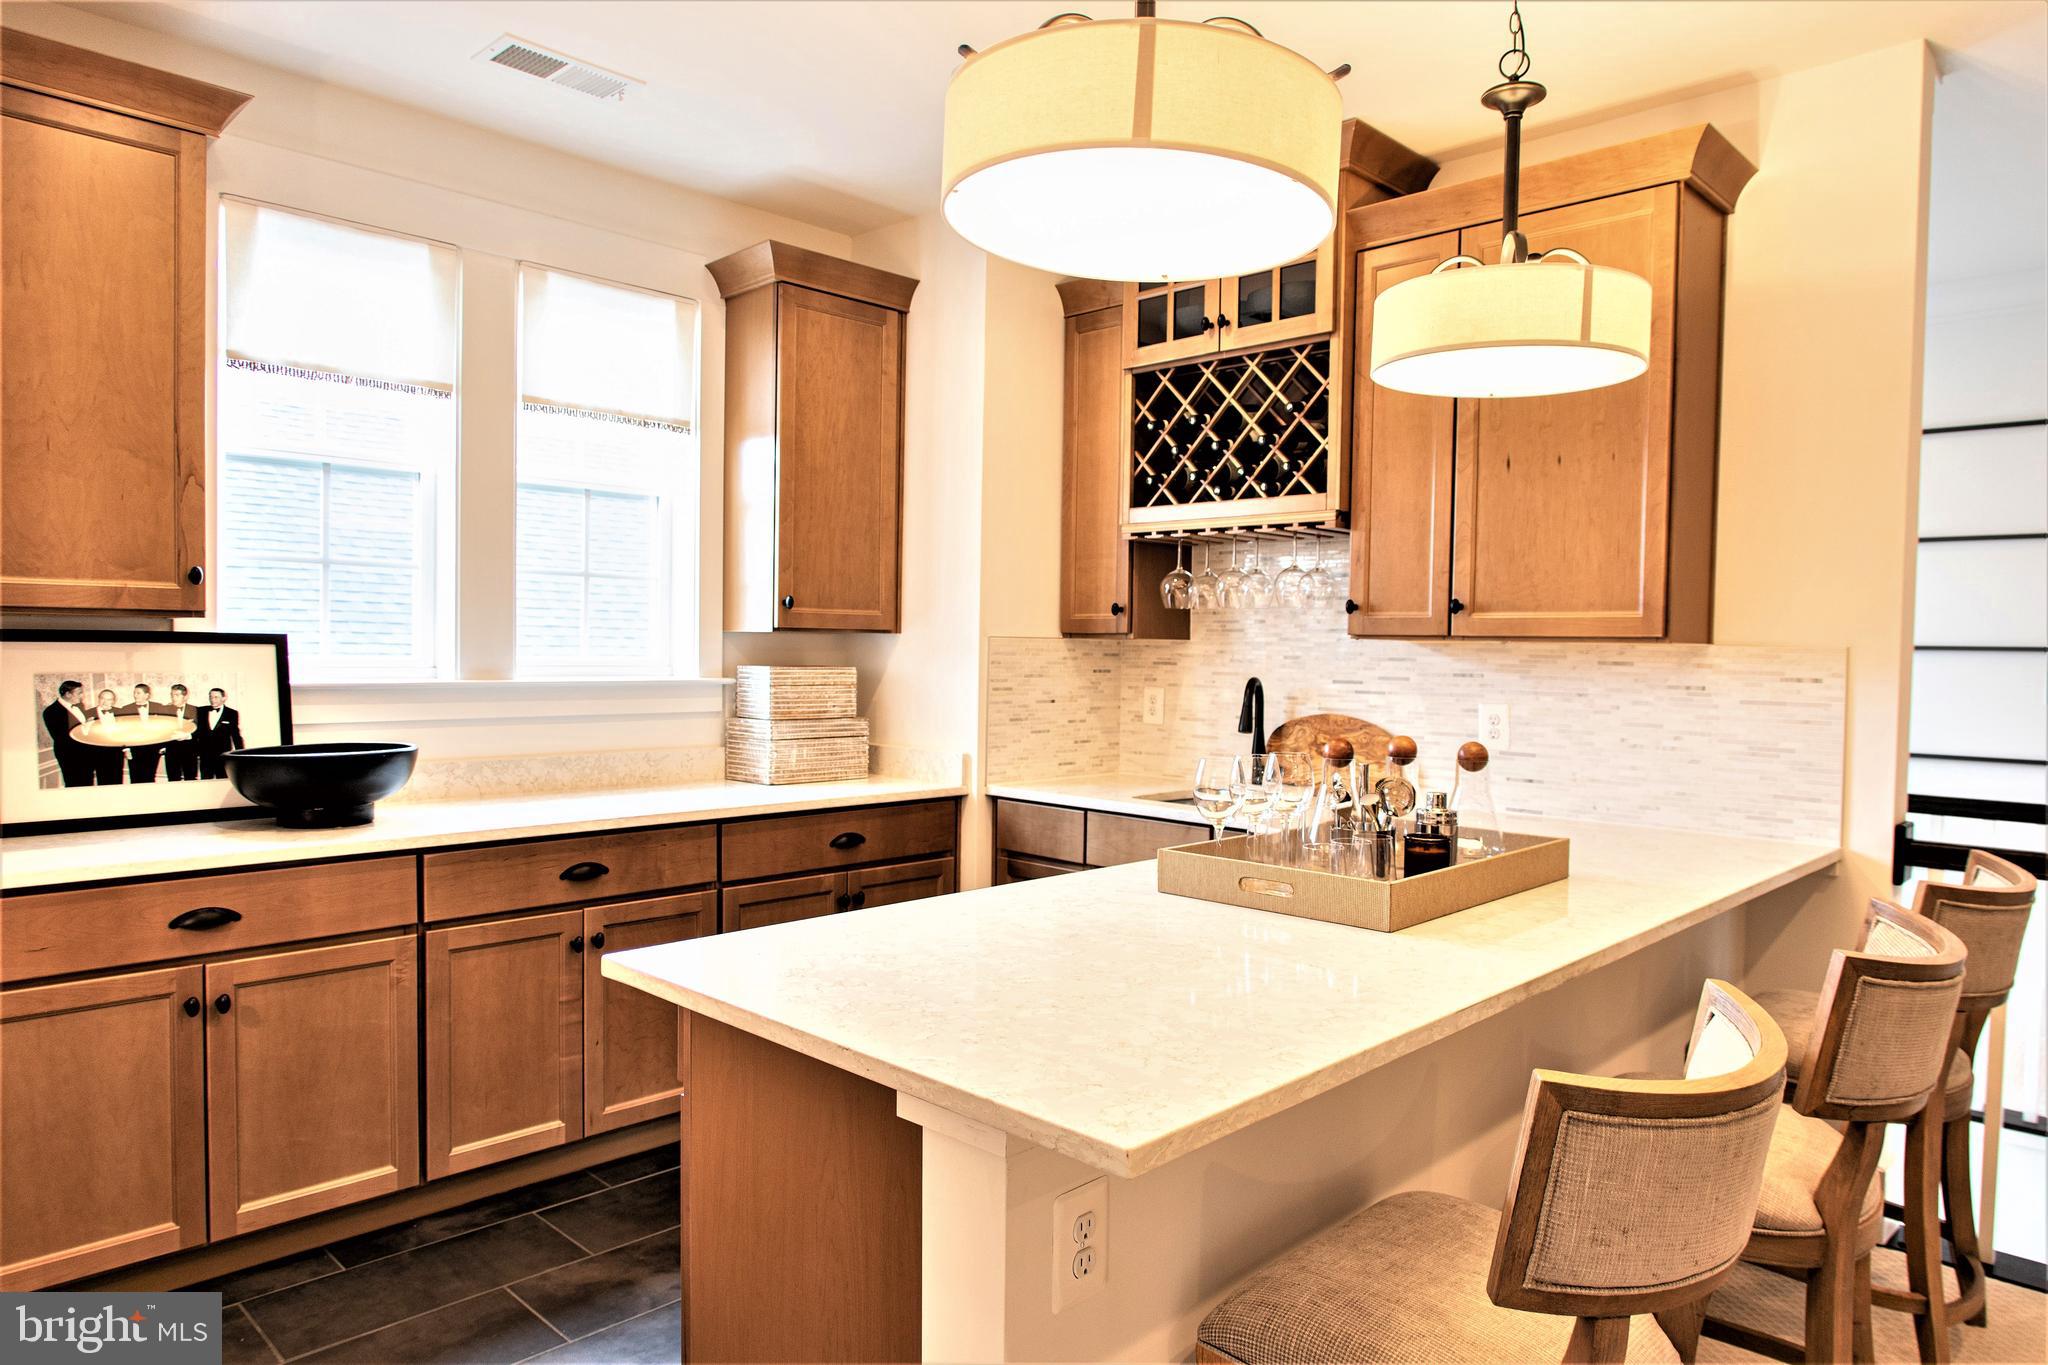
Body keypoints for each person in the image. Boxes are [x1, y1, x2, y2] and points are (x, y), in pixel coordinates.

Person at [40, 680, 92, 788]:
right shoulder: (51, 711)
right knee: (75, 785)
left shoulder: (78, 707)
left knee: (87, 785)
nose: (82, 696)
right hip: (70, 756)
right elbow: (61, 737)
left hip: (86, 755)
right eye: (79, 693)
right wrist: (84, 728)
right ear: (68, 694)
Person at [117, 683, 170, 784]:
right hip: (134, 748)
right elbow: (122, 731)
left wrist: (163, 746)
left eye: (138, 693)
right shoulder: (126, 709)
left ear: (147, 695)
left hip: (153, 748)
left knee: (150, 776)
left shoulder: (159, 707)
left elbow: (164, 728)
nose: (135, 695)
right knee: (135, 777)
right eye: (134, 693)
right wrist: (126, 748)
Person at [195, 687, 244, 780]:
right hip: (205, 755)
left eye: (216, 697)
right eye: (211, 697)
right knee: (205, 781)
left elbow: (235, 735)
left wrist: (240, 753)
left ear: (224, 698)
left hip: (222, 755)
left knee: (222, 779)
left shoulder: (232, 713)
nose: (212, 699)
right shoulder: (201, 711)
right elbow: (195, 731)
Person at [84, 688, 126, 786]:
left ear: (113, 701)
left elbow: (125, 732)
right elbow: (84, 734)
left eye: (109, 699)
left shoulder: (121, 712)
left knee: (117, 781)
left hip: (116, 752)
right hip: (97, 753)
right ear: (98, 699)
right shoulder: (88, 713)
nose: (105, 702)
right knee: (102, 782)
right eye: (102, 698)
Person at [162, 684, 201, 781]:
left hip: (190, 750)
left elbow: (201, 730)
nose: (173, 697)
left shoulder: (196, 710)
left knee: (190, 778)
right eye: (172, 695)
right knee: (172, 778)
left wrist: (188, 735)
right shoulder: (165, 710)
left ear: (185, 696)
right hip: (171, 749)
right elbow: (161, 729)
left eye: (177, 695)